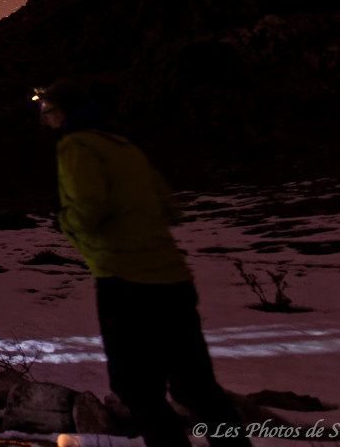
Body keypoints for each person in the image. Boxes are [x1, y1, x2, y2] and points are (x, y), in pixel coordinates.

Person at [35, 78, 242, 447]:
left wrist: (65, 222)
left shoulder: (76, 146)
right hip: (172, 277)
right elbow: (168, 205)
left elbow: (89, 209)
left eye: (48, 110)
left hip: (125, 280)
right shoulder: (122, 144)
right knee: (194, 385)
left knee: (136, 387)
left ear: (63, 112)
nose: (46, 118)